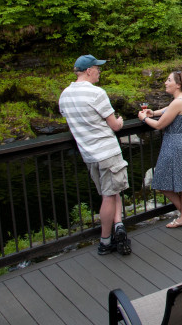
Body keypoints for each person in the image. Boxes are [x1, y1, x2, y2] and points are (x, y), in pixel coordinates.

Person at [59, 55, 131, 255]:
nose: (100, 71)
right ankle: (105, 242)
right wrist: (121, 121)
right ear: (89, 70)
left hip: (89, 154)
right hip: (107, 152)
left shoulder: (65, 95)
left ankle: (118, 225)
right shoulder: (96, 93)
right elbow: (114, 125)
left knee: (110, 190)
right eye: (97, 68)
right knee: (109, 196)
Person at [138, 71, 182, 228]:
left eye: (168, 80)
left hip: (175, 144)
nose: (165, 82)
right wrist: (154, 112)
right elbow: (169, 109)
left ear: (178, 84)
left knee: (161, 181)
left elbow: (159, 125)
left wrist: (144, 118)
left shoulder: (178, 102)